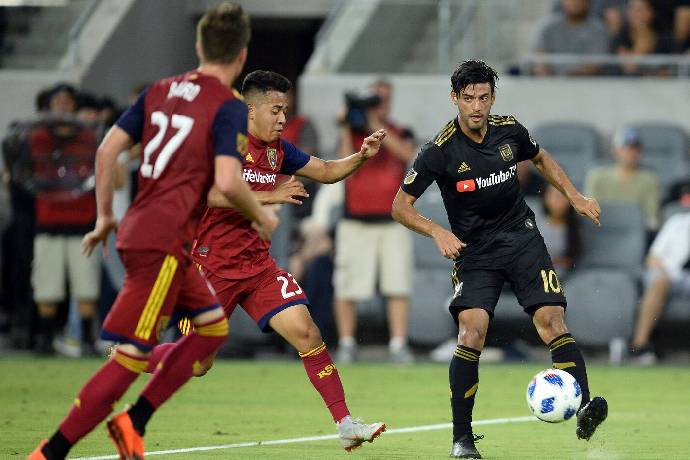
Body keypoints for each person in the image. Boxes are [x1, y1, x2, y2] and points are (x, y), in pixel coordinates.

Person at [28, 4, 277, 459]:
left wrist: (104, 215)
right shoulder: (227, 107)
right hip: (161, 241)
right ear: (241, 56)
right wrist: (262, 213)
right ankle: (51, 451)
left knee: (212, 329)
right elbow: (226, 180)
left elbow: (106, 149)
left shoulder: (160, 89)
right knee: (131, 356)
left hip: (153, 234)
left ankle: (133, 421)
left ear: (199, 46)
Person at [144, 70, 387, 452]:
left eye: (285, 111)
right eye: (275, 110)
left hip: (257, 266)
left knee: (308, 334)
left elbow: (324, 171)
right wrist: (268, 196)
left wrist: (361, 156)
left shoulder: (280, 150)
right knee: (198, 363)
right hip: (210, 267)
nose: (282, 119)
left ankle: (345, 424)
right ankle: (134, 355)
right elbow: (210, 194)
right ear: (250, 110)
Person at [391, 60, 608, 458]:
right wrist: (437, 231)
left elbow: (540, 158)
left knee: (552, 321)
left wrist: (574, 196)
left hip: (522, 238)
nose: (477, 106)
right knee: (472, 330)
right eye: (469, 98)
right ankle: (462, 439)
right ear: (455, 98)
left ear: (493, 97)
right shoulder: (438, 151)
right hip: (474, 251)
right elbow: (400, 207)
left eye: (484, 97)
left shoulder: (510, 130)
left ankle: (584, 409)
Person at [334, 79, 417, 364]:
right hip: (355, 220)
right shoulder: (354, 134)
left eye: (383, 99)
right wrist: (347, 125)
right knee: (348, 285)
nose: (379, 104)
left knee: (398, 284)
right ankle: (346, 343)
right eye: (374, 99)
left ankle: (398, 344)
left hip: (394, 220)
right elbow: (342, 168)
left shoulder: (401, 131)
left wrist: (375, 127)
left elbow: (409, 155)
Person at [629, 203, 690, 365]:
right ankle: (640, 346)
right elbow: (653, 257)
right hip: (668, 272)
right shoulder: (678, 222)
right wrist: (664, 272)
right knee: (660, 281)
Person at [584, 126, 661, 232]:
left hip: (635, 233)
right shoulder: (597, 177)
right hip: (601, 231)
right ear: (615, 150)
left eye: (635, 148)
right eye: (626, 147)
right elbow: (589, 214)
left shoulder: (649, 179)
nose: (632, 152)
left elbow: (651, 219)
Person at [533, 0, 610, 76]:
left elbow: (596, 64)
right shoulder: (547, 27)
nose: (575, 3)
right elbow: (540, 58)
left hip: (587, 84)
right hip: (550, 83)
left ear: (588, 3)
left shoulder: (598, 29)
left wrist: (570, 78)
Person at [612, 0, 677, 76]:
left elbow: (670, 71)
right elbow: (628, 67)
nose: (635, 13)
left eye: (640, 10)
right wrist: (641, 43)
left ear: (651, 12)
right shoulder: (622, 34)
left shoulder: (664, 36)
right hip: (625, 84)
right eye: (632, 8)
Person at [540, 184, 582, 277]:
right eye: (553, 195)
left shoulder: (574, 229)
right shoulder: (534, 223)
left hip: (560, 275)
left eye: (562, 196)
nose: (557, 201)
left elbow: (573, 259)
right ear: (545, 197)